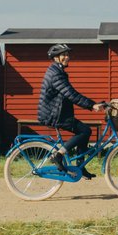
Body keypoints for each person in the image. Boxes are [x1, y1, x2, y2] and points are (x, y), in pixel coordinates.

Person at [38, 43, 105, 178]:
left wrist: (95, 104)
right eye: (64, 54)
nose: (67, 57)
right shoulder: (55, 74)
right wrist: (92, 105)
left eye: (68, 54)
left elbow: (69, 94)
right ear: (56, 58)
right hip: (54, 115)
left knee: (84, 131)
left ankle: (80, 166)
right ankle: (58, 155)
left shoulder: (58, 71)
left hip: (58, 113)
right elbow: (71, 94)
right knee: (85, 130)